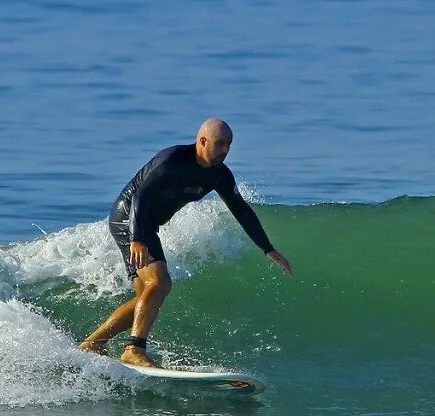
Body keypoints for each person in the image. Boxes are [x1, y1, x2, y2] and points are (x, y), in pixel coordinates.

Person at [78, 118, 291, 366]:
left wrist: (268, 248)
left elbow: (240, 209)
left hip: (146, 225)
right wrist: (137, 239)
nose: (226, 150)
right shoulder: (171, 162)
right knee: (160, 283)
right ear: (202, 141)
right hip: (130, 219)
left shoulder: (220, 175)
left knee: (148, 297)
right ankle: (134, 349)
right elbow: (140, 198)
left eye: (229, 145)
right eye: (220, 143)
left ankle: (93, 343)